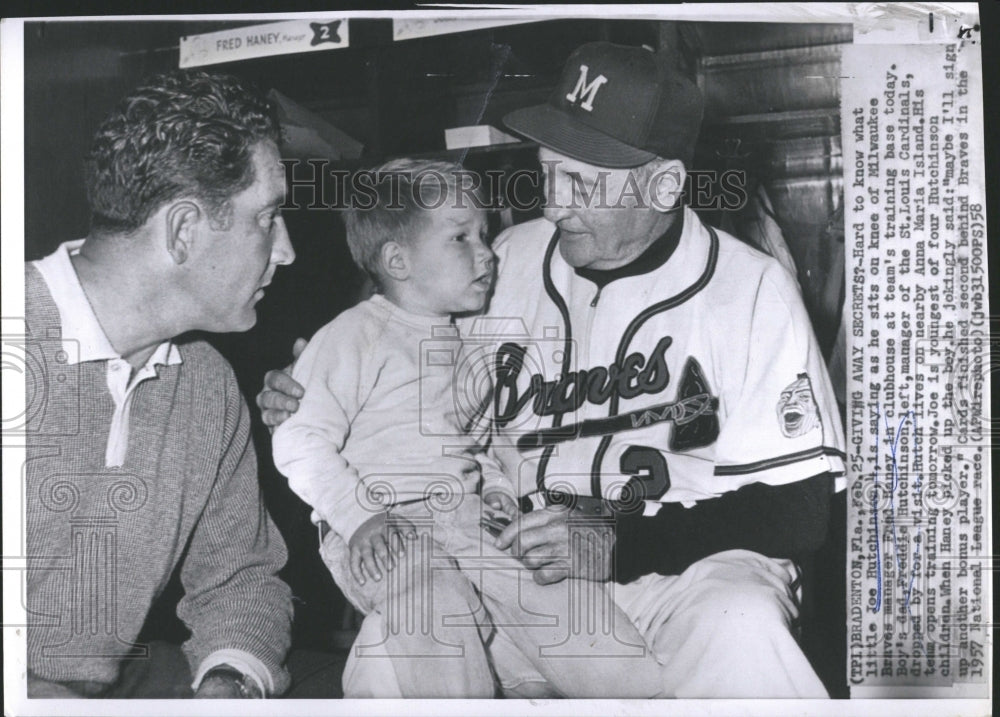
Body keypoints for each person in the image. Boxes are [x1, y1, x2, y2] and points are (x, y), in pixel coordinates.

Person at [259, 42, 846, 698]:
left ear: (664, 185)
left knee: (741, 626)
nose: (555, 202)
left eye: (583, 183)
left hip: (690, 576)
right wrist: (308, 382)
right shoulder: (506, 259)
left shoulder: (751, 289)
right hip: (521, 565)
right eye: (549, 172)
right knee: (395, 646)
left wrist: (618, 542)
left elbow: (799, 511)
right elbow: (390, 357)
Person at [271, 158, 665, 698]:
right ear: (397, 260)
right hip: (383, 527)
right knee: (437, 609)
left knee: (555, 596)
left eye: (483, 234)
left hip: (463, 517)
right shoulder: (353, 334)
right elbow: (298, 439)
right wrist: (358, 517)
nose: (486, 252)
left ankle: (644, 695)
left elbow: (475, 444)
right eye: (461, 237)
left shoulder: (465, 342)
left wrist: (498, 490)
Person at [25, 70, 296, 699]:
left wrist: (232, 677)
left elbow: (241, 579)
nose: (285, 251)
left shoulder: (206, 385)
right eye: (269, 217)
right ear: (182, 232)